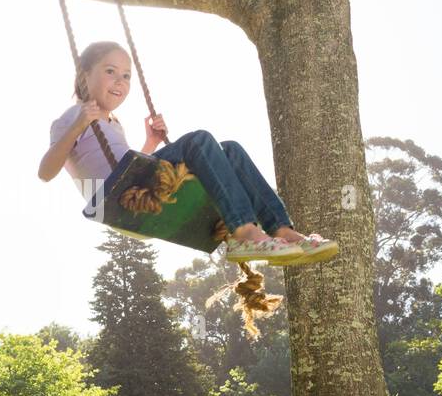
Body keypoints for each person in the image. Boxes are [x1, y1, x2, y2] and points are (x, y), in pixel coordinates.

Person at [39, 40, 337, 265]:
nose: (121, 81)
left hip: (134, 183)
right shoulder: (72, 116)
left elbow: (124, 166)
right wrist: (79, 124)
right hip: (112, 199)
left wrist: (151, 143)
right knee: (199, 142)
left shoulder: (113, 123)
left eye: (127, 75)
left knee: (230, 150)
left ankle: (281, 228)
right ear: (84, 74)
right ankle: (245, 233)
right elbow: (46, 171)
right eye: (110, 71)